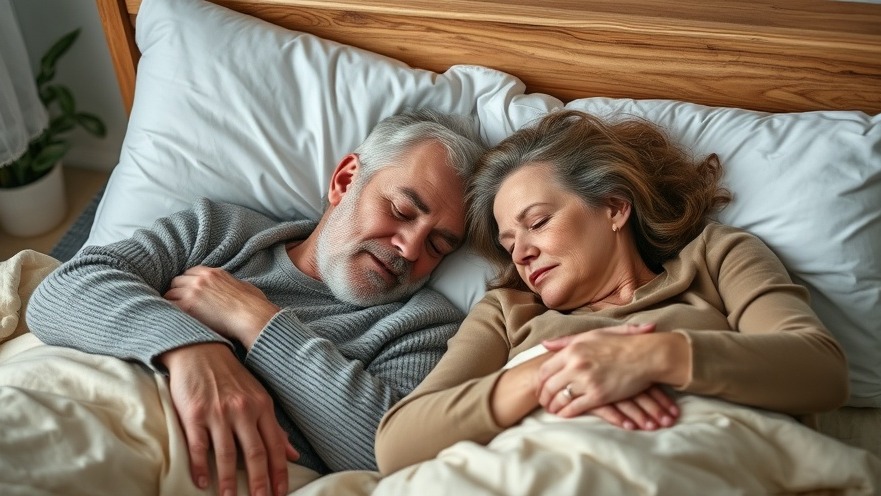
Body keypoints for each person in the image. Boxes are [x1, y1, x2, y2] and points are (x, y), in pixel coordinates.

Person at [26, 109, 486, 496]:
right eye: (402, 212)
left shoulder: (424, 326)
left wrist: (257, 320)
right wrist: (195, 351)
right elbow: (62, 291)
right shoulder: (218, 230)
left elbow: (387, 450)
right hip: (87, 413)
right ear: (345, 180)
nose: (409, 249)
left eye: (439, 246)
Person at [374, 109, 849, 474]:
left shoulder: (715, 258)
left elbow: (820, 369)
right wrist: (551, 372)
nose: (522, 255)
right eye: (510, 244)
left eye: (538, 223)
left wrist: (650, 357)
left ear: (614, 206)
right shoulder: (506, 310)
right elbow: (397, 444)